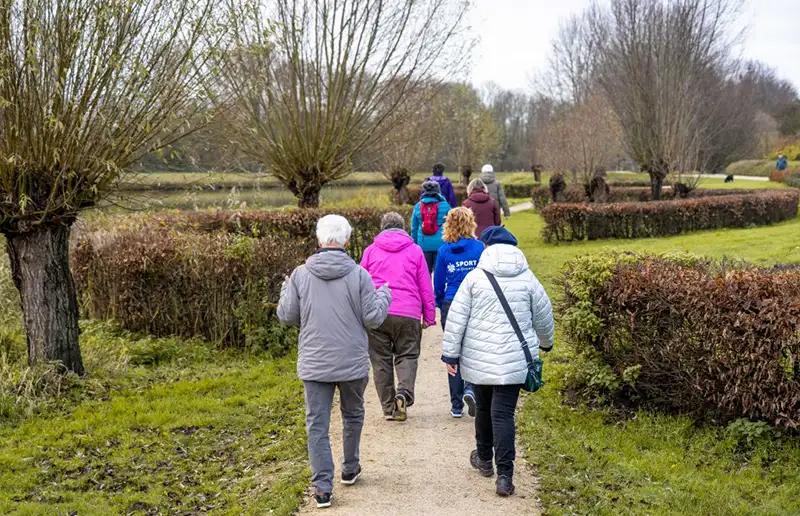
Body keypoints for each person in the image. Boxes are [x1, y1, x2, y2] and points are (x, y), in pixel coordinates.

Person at [278, 214, 392, 509]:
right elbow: (374, 319)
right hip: (352, 361)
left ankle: (323, 488)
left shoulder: (300, 275)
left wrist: (284, 290)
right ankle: (350, 468)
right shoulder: (359, 275)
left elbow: (287, 316)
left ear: (319, 240)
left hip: (315, 363)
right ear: (347, 240)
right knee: (353, 414)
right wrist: (385, 296)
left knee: (317, 423)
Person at [441, 226, 555, 498]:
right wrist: (546, 342)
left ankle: (483, 459)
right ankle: (505, 476)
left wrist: (450, 354)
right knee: (503, 414)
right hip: (514, 360)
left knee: (482, 408)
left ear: (487, 248)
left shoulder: (474, 278)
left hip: (478, 359)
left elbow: (457, 319)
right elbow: (544, 313)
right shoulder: (528, 278)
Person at [361, 212, 436, 422]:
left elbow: (359, 283)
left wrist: (359, 313)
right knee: (408, 354)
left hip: (378, 313)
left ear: (382, 227)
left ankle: (388, 407)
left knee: (380, 360)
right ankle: (403, 394)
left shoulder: (370, 251)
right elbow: (425, 287)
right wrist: (428, 316)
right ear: (402, 227)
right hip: (408, 312)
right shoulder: (415, 250)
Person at [433, 207, 484, 418]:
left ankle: (456, 405)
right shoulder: (480, 248)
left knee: (453, 352)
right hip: (474, 301)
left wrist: (439, 302)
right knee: (473, 348)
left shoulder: (444, 250)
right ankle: (471, 388)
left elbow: (438, 281)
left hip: (451, 302)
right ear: (471, 223)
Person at [411, 180, 451, 273]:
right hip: (441, 244)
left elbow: (414, 228)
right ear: (438, 191)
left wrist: (415, 246)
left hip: (423, 244)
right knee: (439, 272)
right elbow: (451, 227)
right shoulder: (445, 206)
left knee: (424, 273)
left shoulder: (417, 206)